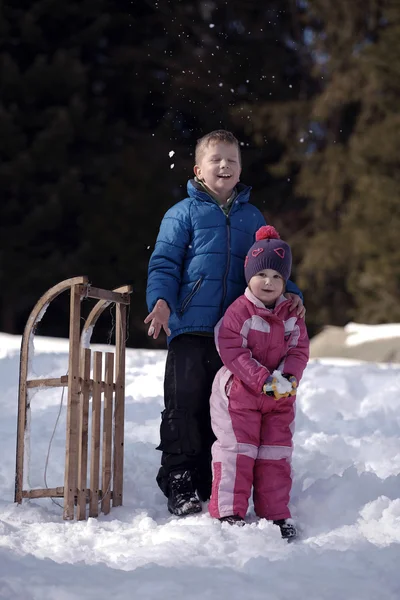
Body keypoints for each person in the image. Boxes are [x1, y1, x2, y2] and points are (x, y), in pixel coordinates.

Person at [145, 130, 305, 517]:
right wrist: (162, 302)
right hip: (190, 327)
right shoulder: (181, 213)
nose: (225, 166)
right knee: (185, 404)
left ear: (240, 170)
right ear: (198, 169)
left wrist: (292, 291)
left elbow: (271, 264)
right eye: (216, 159)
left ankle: (213, 476)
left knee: (228, 408)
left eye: (232, 161)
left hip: (237, 333)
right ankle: (180, 476)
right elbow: (164, 263)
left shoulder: (252, 216)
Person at [208, 225, 309, 540]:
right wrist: (263, 379)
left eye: (277, 277)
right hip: (239, 394)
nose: (269, 282)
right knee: (238, 451)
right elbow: (231, 349)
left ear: (285, 281)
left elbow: (299, 350)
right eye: (262, 274)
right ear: (249, 275)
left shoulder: (291, 314)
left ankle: (275, 514)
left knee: (275, 455)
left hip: (279, 397)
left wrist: (288, 378)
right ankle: (229, 511)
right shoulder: (240, 311)